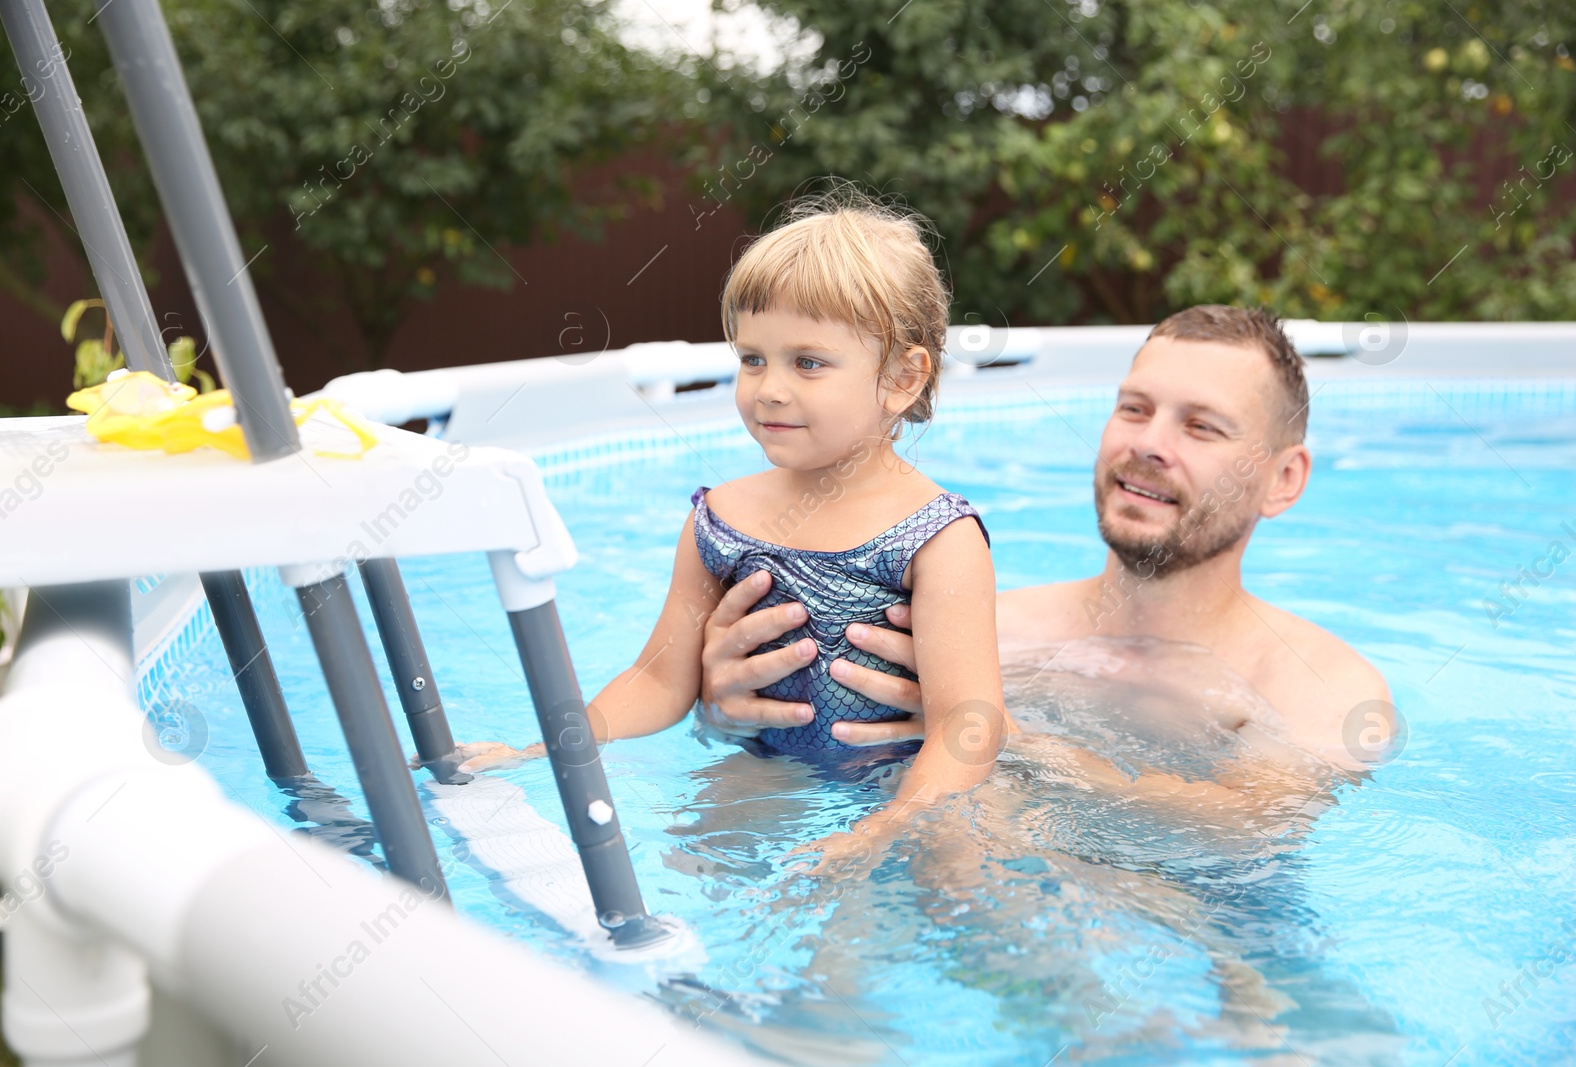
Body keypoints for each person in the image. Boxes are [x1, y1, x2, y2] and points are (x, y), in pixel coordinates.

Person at [456, 195, 1008, 867]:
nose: (767, 388)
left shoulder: (936, 537)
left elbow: (966, 727)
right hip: (765, 762)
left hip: (902, 783)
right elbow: (659, 679)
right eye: (752, 358)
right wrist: (541, 751)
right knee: (693, 858)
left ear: (899, 379)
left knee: (894, 905)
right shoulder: (719, 519)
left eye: (808, 362)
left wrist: (881, 829)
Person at [698, 304, 1395, 790]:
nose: (1148, 443)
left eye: (1202, 427)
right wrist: (729, 709)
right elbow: (818, 764)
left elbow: (1247, 826)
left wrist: (1008, 739)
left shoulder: (1320, 687)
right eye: (1134, 408)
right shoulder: (980, 627)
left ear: (1283, 479)